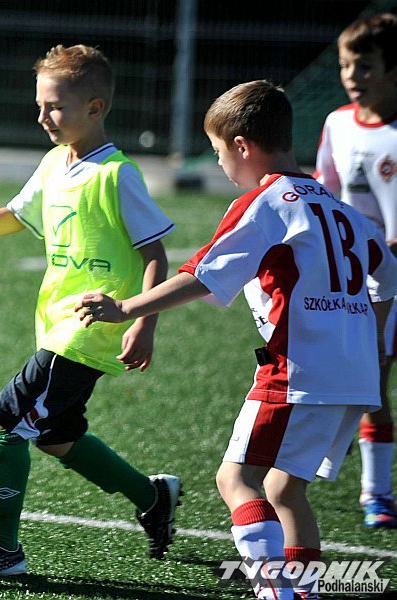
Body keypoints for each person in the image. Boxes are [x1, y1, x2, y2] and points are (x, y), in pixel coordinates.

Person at [77, 80, 397, 599]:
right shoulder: (342, 209)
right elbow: (388, 277)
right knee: (284, 489)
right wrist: (374, 339)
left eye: (218, 151)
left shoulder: (266, 202)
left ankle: (272, 590)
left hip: (297, 369)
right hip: (353, 374)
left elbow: (202, 274)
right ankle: (303, 592)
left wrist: (127, 307)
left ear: (242, 146)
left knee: (236, 480)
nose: (221, 164)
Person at [0, 44, 182, 577]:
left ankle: (2, 547)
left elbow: (155, 254)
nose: (43, 117)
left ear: (95, 107)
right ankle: (152, 496)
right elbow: (18, 214)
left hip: (90, 327)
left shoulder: (116, 174)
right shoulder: (55, 163)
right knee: (56, 436)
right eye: (40, 106)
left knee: (7, 420)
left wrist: (143, 322)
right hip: (55, 322)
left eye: (55, 107)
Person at [314, 12, 397, 529]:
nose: (352, 75)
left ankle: (373, 485)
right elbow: (326, 192)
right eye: (347, 65)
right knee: (369, 382)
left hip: (391, 277)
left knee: (371, 381)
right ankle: (377, 493)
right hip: (359, 280)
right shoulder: (337, 124)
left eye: (365, 66)